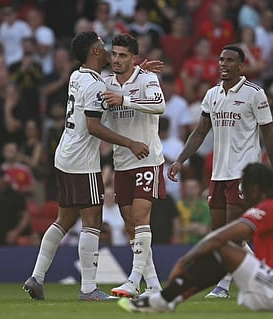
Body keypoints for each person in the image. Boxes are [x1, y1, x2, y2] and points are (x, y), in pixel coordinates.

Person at [23, 31, 148, 301]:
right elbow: (93, 126)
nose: (109, 53)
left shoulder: (78, 76)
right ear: (94, 52)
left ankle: (37, 276)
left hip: (64, 155)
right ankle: (89, 289)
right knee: (92, 222)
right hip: (82, 160)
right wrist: (130, 142)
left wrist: (136, 72)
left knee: (64, 219)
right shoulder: (93, 85)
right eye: (104, 48)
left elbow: (109, 90)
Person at [118, 163, 273, 313]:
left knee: (223, 248)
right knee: (227, 250)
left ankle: (163, 300)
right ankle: (168, 299)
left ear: (255, 189)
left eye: (244, 189)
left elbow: (222, 236)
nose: (243, 195)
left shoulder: (267, 209)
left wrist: (184, 261)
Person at [167, 45, 273, 299]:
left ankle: (223, 285)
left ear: (241, 66)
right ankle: (267, 277)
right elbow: (200, 131)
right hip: (218, 173)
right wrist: (180, 160)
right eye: (221, 60)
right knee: (219, 234)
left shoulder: (255, 94)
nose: (223, 64)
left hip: (244, 174)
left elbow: (269, 135)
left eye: (229, 60)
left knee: (231, 232)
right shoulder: (212, 95)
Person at [101, 33, 166, 298]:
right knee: (130, 225)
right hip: (122, 161)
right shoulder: (105, 82)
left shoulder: (148, 78)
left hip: (147, 158)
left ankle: (133, 280)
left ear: (134, 58)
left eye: (123, 55)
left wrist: (125, 100)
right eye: (114, 54)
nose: (117, 59)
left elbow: (160, 105)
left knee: (140, 219)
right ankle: (153, 285)